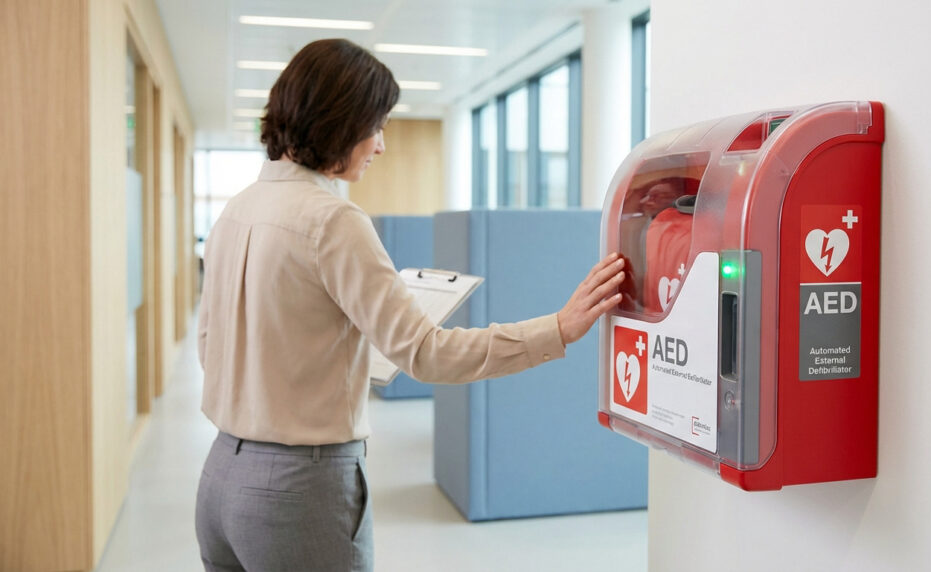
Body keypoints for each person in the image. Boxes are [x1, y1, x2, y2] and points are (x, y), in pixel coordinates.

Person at [193, 39, 624, 572]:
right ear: (339, 122)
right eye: (376, 124)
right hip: (298, 490)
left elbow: (212, 348)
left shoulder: (236, 211)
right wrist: (557, 329)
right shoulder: (334, 222)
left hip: (219, 482)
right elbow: (429, 354)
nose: (380, 144)